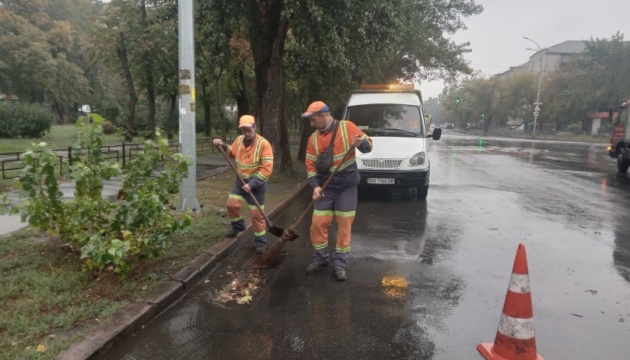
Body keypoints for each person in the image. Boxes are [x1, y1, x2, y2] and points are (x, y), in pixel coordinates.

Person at [302, 101, 373, 281]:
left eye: (313, 120)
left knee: (344, 225)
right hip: (325, 187)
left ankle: (340, 264)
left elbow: (369, 146)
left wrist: (360, 143)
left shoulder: (347, 127)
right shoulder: (313, 139)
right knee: (318, 223)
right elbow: (310, 165)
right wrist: (315, 186)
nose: (311, 124)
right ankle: (321, 259)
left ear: (324, 115)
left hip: (346, 187)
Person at [213, 115, 273, 254]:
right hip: (240, 181)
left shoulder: (264, 144)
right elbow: (231, 152)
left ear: (254, 127)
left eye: (249, 130)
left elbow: (266, 169)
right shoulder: (239, 140)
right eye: (244, 130)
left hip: (257, 185)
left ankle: (261, 242)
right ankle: (238, 226)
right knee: (231, 205)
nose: (246, 133)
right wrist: (221, 145)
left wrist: (251, 184)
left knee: (257, 215)